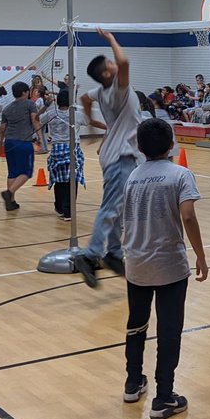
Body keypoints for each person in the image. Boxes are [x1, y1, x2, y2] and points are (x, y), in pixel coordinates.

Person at [121, 118, 207, 419]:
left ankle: (133, 382)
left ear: (140, 148)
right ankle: (164, 396)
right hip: (169, 265)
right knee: (169, 331)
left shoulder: (132, 177)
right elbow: (188, 216)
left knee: (137, 325)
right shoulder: (180, 175)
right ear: (172, 144)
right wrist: (200, 255)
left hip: (136, 264)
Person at [73, 29, 142, 287]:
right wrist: (111, 39)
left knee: (118, 208)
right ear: (107, 73)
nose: (115, 64)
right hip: (121, 155)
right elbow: (124, 62)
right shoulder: (116, 90)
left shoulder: (100, 92)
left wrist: (91, 121)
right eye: (110, 64)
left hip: (116, 152)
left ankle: (113, 253)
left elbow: (83, 97)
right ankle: (90, 255)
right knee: (111, 207)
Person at [41, 89, 84, 221]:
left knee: (59, 180)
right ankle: (68, 211)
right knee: (73, 180)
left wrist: (46, 105)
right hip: (72, 149)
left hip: (57, 150)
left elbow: (37, 118)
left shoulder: (51, 114)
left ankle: (59, 208)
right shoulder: (76, 115)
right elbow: (90, 121)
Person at [0, 81, 39, 211]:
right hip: (23, 141)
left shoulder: (7, 108)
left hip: (9, 142)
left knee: (12, 172)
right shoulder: (30, 104)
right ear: (24, 92)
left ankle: (11, 202)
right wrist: (40, 136)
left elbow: (3, 127)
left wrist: (0, 142)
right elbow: (34, 119)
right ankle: (9, 193)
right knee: (26, 172)